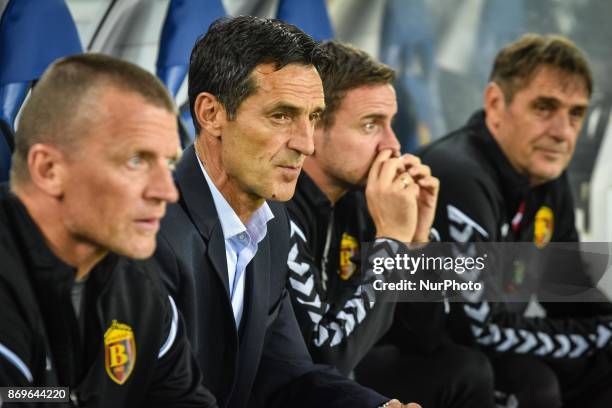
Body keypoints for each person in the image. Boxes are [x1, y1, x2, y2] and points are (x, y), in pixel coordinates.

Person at [154, 16, 419, 408]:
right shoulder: (157, 233)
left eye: (313, 116)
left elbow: (285, 370)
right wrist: (393, 244)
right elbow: (331, 352)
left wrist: (420, 247)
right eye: (281, 115)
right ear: (211, 114)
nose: (306, 143)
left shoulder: (277, 218)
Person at [286, 40, 495, 408]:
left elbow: (425, 340)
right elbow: (324, 358)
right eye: (371, 126)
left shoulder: (365, 198)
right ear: (314, 128)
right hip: (293, 388)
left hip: (347, 372)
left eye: (391, 125)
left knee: (466, 369)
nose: (394, 146)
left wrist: (416, 242)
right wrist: (391, 240)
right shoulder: (281, 207)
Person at [0, 54, 216, 407]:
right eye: (136, 161)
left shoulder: (137, 282)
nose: (167, 191)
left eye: (170, 163)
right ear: (49, 169)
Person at [419, 33, 612, 407]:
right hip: (425, 358)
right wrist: (601, 334)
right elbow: (480, 328)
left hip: (492, 346)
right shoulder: (458, 175)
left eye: (575, 114)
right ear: (495, 104)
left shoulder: (546, 177)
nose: (562, 132)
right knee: (534, 384)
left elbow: (569, 291)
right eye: (544, 107)